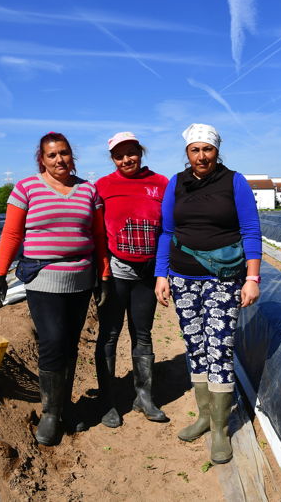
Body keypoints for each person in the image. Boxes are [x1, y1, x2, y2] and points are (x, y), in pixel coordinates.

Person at [0, 132, 110, 446]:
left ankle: (65, 406)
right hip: (43, 277)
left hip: (81, 278)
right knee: (53, 341)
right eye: (52, 155)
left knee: (69, 344)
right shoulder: (26, 188)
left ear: (73, 156)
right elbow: (12, 234)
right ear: (42, 159)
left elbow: (98, 236)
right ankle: (50, 413)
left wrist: (104, 276)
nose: (60, 160)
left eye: (64, 153)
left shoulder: (88, 190)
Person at [154, 123, 262, 465]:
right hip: (183, 276)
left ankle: (220, 428)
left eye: (208, 149)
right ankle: (203, 416)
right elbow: (167, 231)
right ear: (187, 153)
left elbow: (251, 230)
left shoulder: (234, 182)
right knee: (195, 345)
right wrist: (161, 274)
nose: (201, 156)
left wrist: (252, 277)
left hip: (223, 279)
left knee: (220, 346)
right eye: (195, 150)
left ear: (217, 150)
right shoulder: (176, 183)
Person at [94, 132, 169, 428]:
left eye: (131, 152)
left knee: (143, 333)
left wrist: (163, 271)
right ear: (113, 158)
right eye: (119, 155)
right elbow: (97, 231)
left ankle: (144, 396)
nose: (126, 159)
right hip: (114, 272)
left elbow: (167, 232)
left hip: (147, 273)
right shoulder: (102, 186)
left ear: (141, 152)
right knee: (109, 334)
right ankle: (108, 400)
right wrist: (101, 272)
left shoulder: (160, 184)